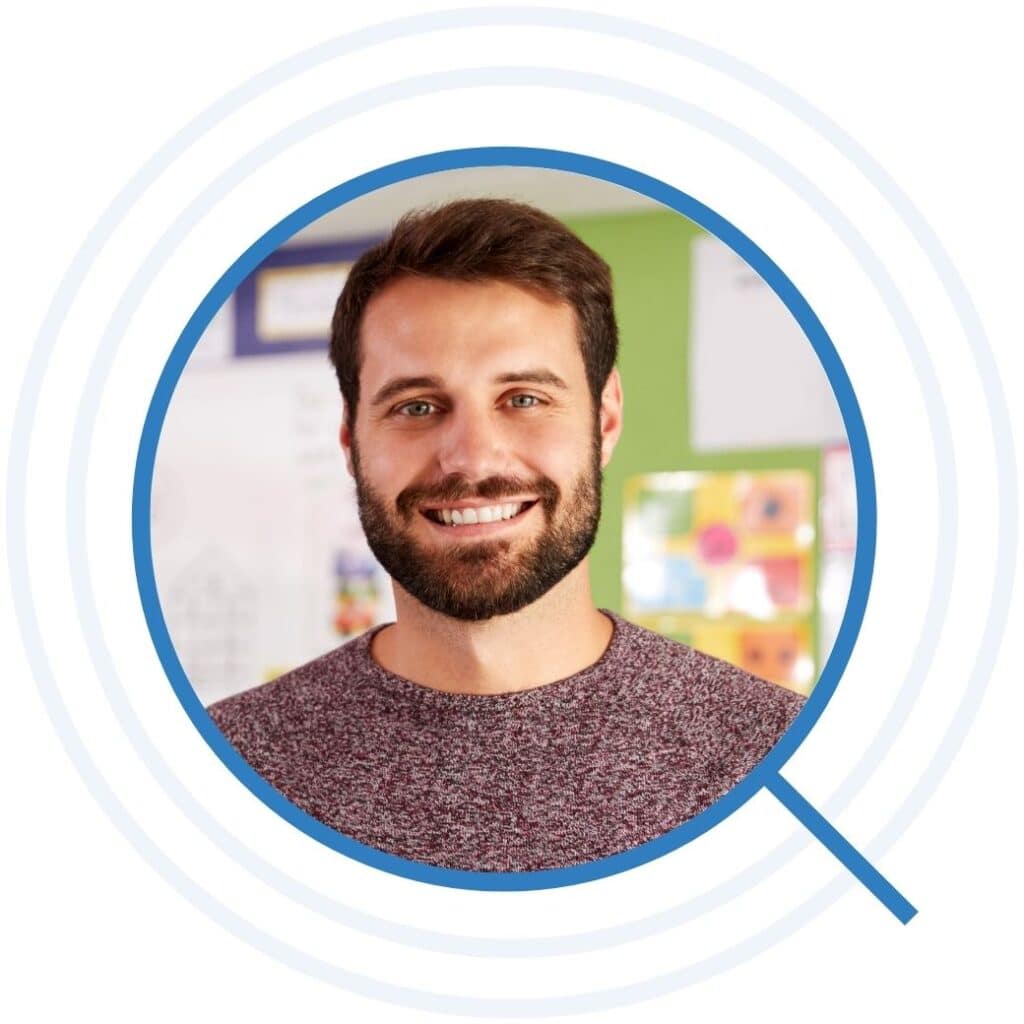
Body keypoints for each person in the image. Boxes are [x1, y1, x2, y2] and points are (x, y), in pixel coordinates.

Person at [208, 198, 805, 873]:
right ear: (351, 442)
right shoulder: (220, 772)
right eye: (416, 407)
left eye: (523, 399)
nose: (473, 457)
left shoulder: (783, 760)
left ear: (604, 421)